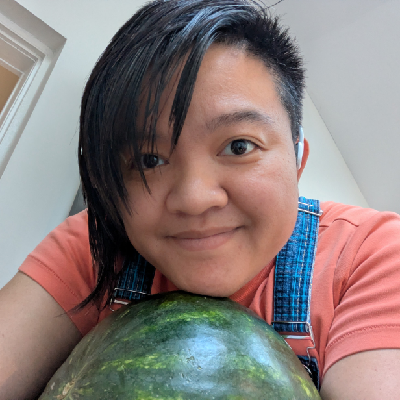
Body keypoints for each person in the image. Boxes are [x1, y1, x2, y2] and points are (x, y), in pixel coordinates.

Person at [1, 0, 400, 398]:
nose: (194, 199)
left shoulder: (370, 255)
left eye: (239, 146)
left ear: (297, 160)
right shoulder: (90, 246)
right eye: (149, 160)